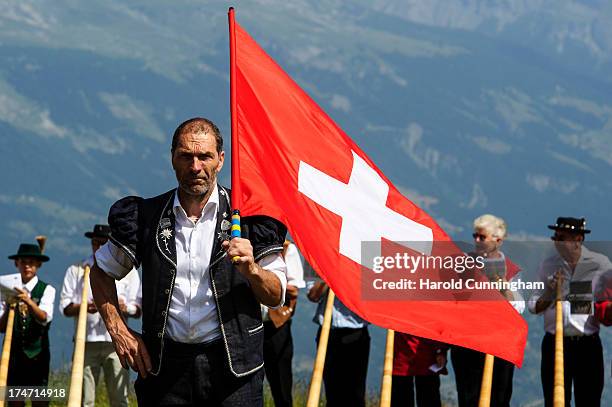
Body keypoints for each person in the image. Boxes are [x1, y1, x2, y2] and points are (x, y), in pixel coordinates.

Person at [90, 117, 288, 406]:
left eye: (204, 156)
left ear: (220, 160)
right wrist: (118, 330)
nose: (195, 167)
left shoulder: (248, 218)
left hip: (235, 371)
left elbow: (276, 296)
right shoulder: (146, 216)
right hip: (165, 371)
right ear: (172, 158)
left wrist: (252, 270)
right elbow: (101, 272)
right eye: (186, 156)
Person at [528, 217, 612, 407]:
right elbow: (533, 306)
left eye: (562, 238)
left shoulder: (600, 264)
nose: (557, 243)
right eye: (555, 237)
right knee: (555, 401)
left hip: (587, 345)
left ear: (578, 239)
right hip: (554, 343)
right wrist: (550, 291)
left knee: (589, 401)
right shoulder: (548, 265)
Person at [60, 224, 141, 407]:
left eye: (104, 243)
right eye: (95, 242)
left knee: (119, 399)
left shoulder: (128, 270)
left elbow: (138, 309)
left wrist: (124, 308)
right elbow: (65, 307)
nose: (98, 247)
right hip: (86, 342)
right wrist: (83, 307)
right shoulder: (77, 269)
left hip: (117, 343)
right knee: (84, 399)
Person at [451, 214, 524, 407]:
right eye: (475, 235)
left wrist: (502, 284)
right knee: (468, 399)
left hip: (500, 345)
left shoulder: (511, 269)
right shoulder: (463, 263)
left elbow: (518, 307)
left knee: (499, 399)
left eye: (482, 237)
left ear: (498, 240)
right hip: (468, 344)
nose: (476, 241)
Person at [0, 243, 56, 407]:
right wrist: (9, 305)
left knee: (39, 401)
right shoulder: (6, 289)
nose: (27, 266)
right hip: (14, 355)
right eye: (23, 262)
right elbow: (1, 327)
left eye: (31, 263)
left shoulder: (47, 289)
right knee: (15, 401)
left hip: (38, 355)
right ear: (16, 263)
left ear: (38, 265)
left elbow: (44, 317)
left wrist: (28, 301)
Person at [307, 278, 370, 407]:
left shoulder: (365, 259)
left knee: (356, 395)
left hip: (356, 333)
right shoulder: (321, 260)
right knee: (332, 393)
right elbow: (313, 295)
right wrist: (329, 275)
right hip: (328, 332)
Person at [262, 240, 305, 407]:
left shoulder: (287, 248)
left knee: (281, 380)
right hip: (250, 324)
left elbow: (295, 286)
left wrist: (267, 283)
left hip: (276, 324)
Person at [391, 333, 448, 407]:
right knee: (401, 397)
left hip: (428, 352)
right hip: (401, 351)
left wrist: (441, 349)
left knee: (428, 398)